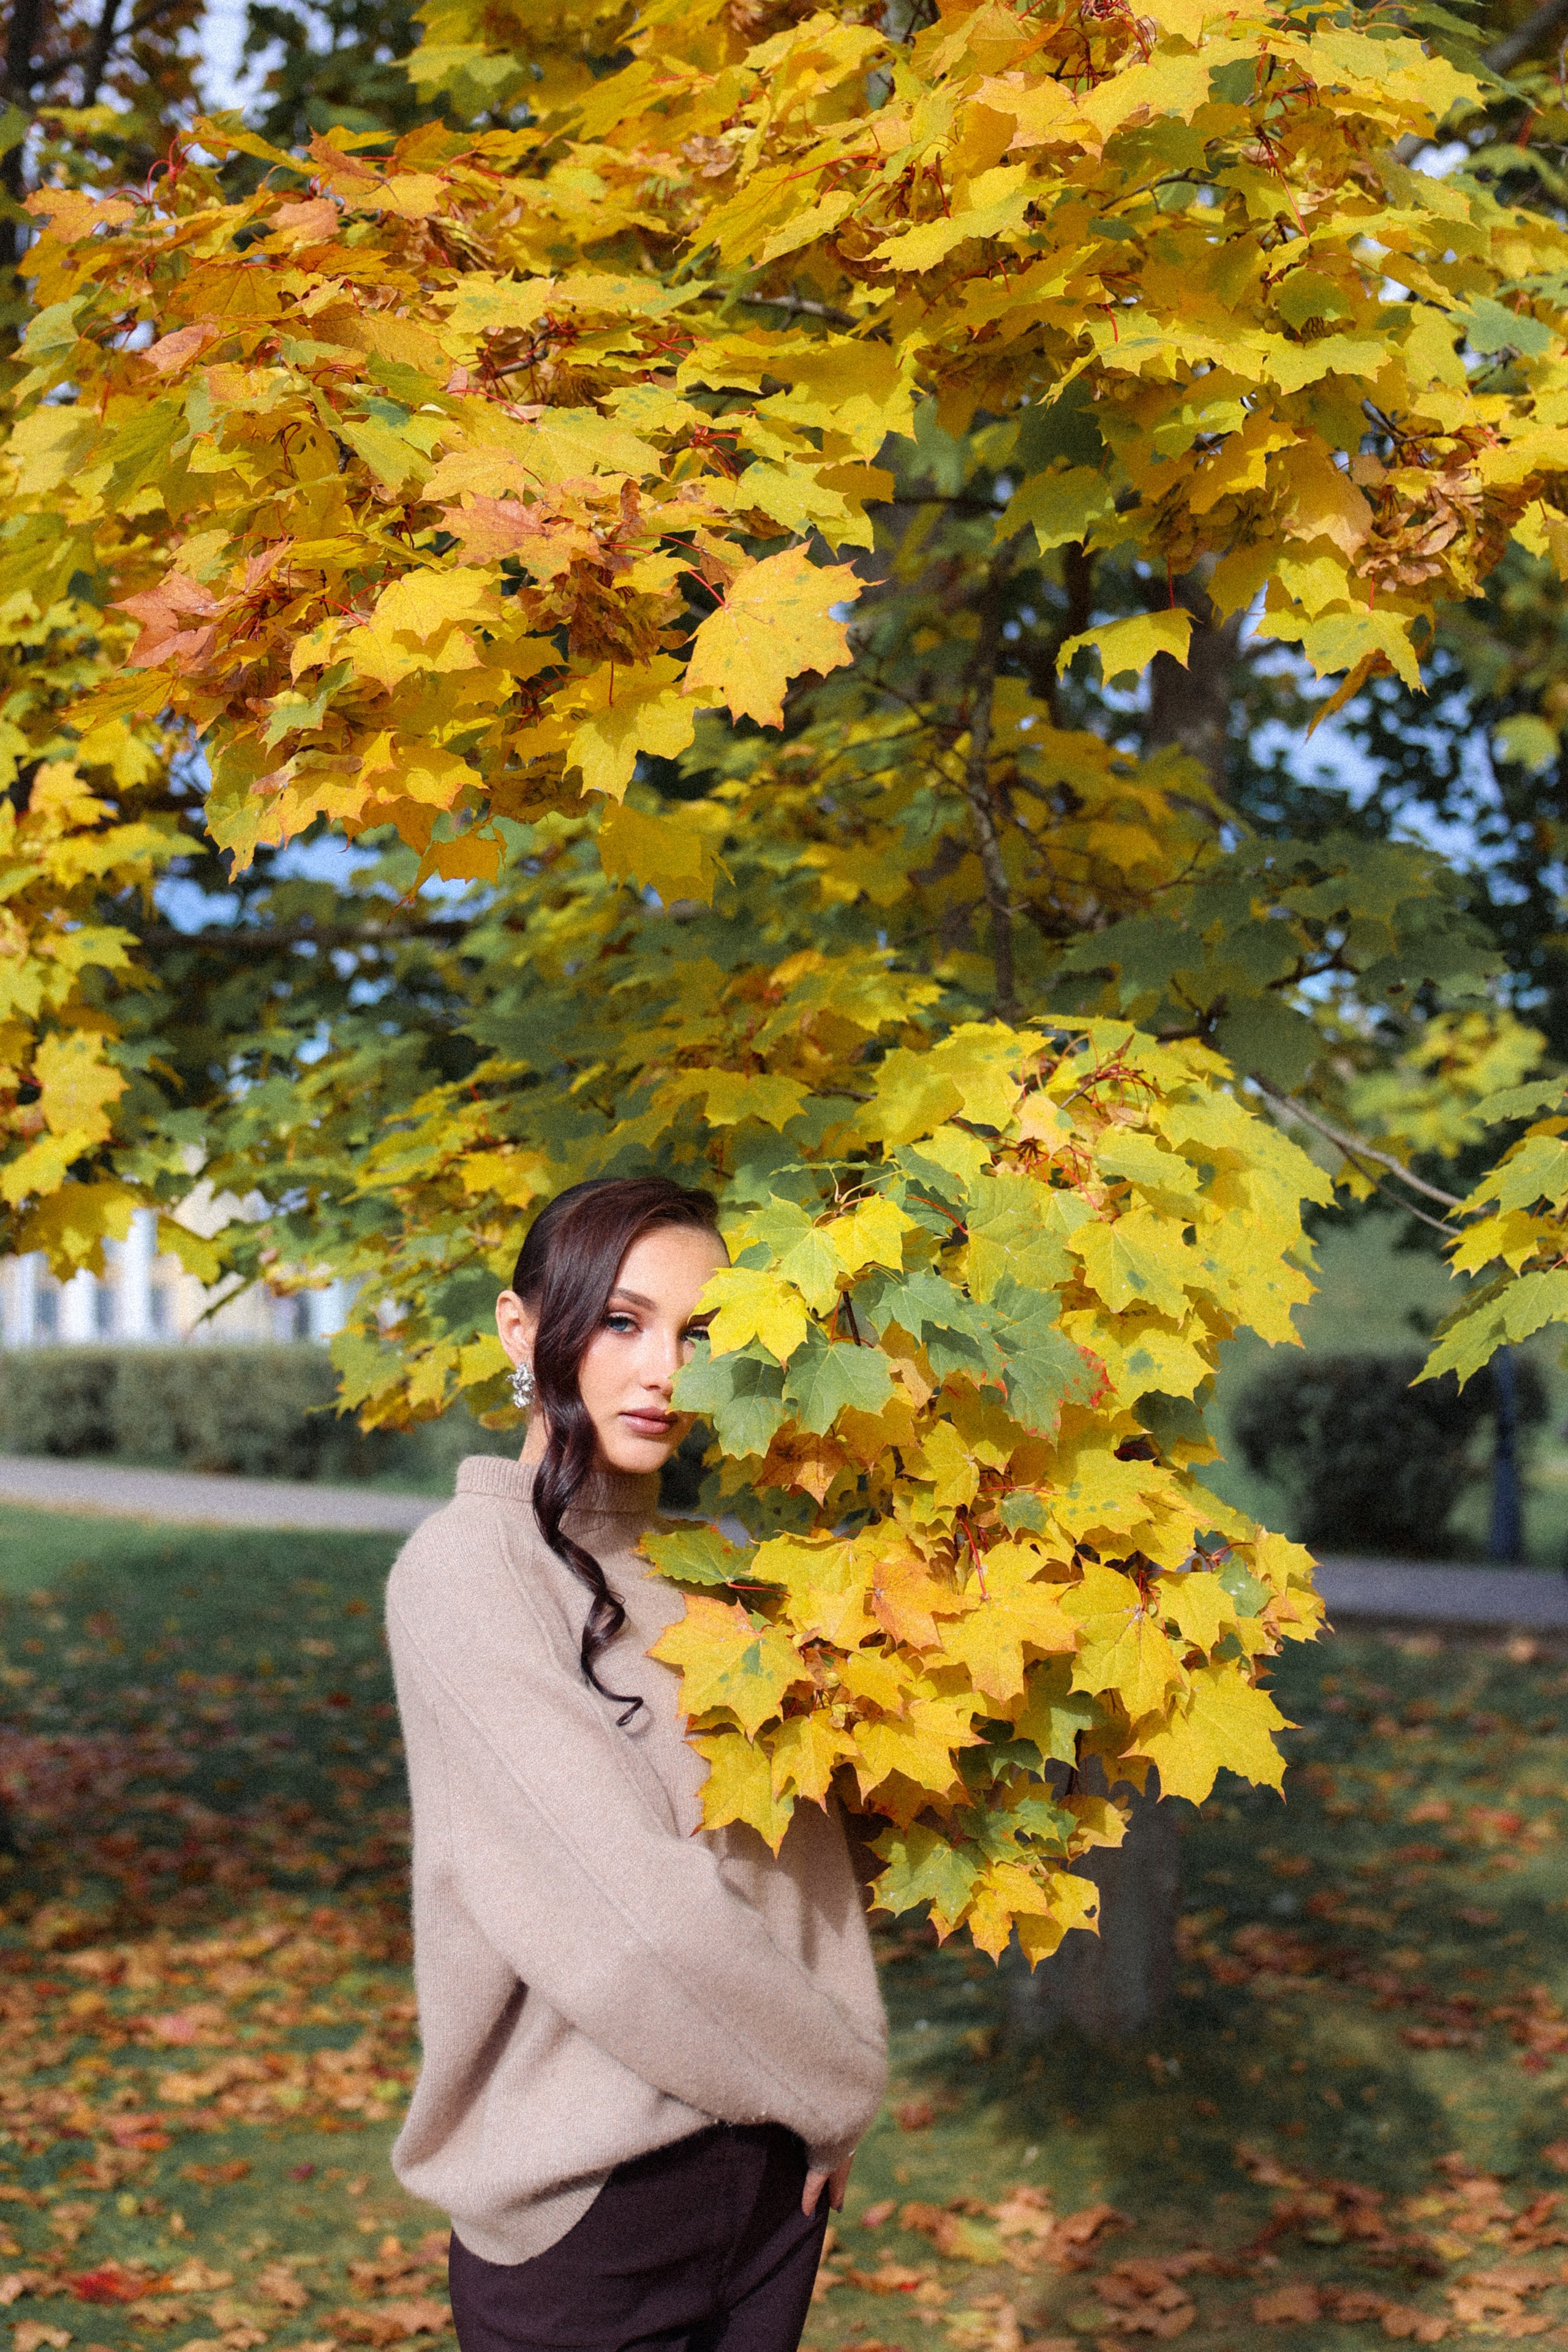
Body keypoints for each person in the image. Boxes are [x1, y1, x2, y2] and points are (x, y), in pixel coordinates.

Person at [385, 1174, 888, 2352]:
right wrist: (836, 2085)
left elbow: (800, 1872)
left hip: (774, 2175)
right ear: (523, 1330)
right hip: (590, 2214)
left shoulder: (722, 1571)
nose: (664, 1367)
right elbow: (624, 1918)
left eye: (699, 1332)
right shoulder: (471, 1573)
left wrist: (818, 2115)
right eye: (623, 1321)